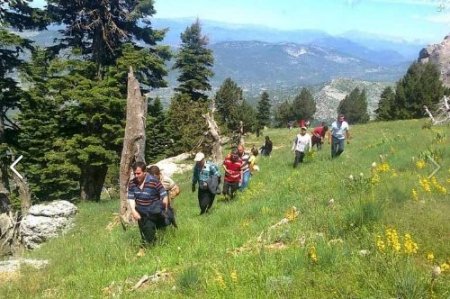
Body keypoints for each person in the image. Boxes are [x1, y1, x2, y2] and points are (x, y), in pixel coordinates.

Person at [128, 161, 170, 245]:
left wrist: (165, 208)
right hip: (141, 212)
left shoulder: (154, 181)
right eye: (134, 173)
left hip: (153, 211)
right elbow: (131, 198)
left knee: (152, 233)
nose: (136, 176)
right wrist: (133, 211)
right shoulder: (132, 183)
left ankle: (153, 246)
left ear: (144, 172)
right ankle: (149, 246)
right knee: (144, 232)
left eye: (138, 173)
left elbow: (164, 195)